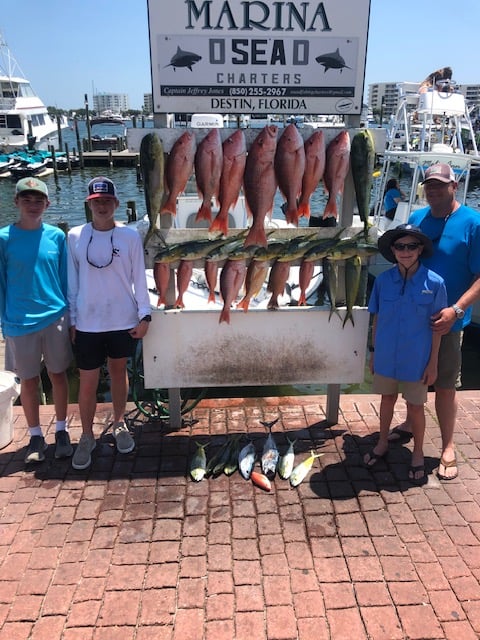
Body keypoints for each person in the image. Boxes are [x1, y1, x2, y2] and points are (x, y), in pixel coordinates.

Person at [387, 163, 480, 481]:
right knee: (413, 380)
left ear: (455, 185)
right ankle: (411, 423)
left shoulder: (472, 222)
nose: (434, 190)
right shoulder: (416, 219)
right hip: (414, 324)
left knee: (444, 387)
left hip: (448, 323)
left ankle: (448, 445)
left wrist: (457, 309)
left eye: (441, 184)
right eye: (429, 185)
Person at [68, 177, 152, 470]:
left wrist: (145, 315)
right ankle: (87, 435)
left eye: (107, 201)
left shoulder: (130, 236)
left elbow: (139, 278)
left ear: (116, 203)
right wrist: (73, 319)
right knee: (88, 381)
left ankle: (119, 423)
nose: (102, 206)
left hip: (122, 319)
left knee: (119, 372)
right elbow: (72, 281)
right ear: (89, 204)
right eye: (96, 202)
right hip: (88, 322)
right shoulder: (75, 236)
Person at [366, 224, 447, 484]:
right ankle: (381, 442)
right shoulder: (382, 281)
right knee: (386, 399)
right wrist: (373, 352)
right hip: (386, 355)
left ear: (420, 249)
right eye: (400, 246)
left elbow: (437, 329)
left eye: (412, 246)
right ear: (392, 250)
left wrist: (432, 362)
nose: (406, 251)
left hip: (417, 357)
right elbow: (376, 318)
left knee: (415, 406)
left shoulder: (435, 283)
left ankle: (419, 452)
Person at [0, 177, 73, 464]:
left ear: (47, 204)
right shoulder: (4, 238)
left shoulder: (57, 236)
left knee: (58, 375)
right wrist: (4, 321)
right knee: (28, 382)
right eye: (27, 199)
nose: (33, 205)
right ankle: (34, 436)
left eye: (38, 200)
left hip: (55, 317)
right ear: (16, 202)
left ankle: (62, 430)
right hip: (19, 322)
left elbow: (66, 280)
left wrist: (71, 317)